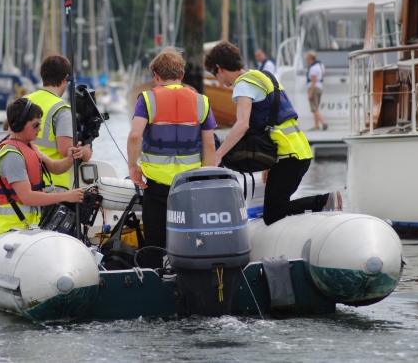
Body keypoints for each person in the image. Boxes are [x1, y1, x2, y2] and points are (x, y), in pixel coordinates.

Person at [203, 42, 342, 226]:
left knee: (273, 213)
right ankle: (321, 205)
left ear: (219, 68)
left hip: (288, 157)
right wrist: (269, 164)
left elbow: (242, 124)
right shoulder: (261, 76)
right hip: (299, 152)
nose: (219, 80)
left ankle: (324, 201)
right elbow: (273, 121)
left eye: (215, 74)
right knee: (278, 206)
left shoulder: (243, 85)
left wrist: (218, 154)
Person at [127, 47, 217, 268]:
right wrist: (206, 178)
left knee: (154, 244)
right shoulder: (201, 101)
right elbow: (209, 144)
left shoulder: (147, 99)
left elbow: (135, 135)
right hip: (189, 186)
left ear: (156, 76)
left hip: (156, 188)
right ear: (182, 75)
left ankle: (155, 288)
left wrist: (133, 167)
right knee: (192, 241)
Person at [0, 97, 85, 235]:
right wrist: (66, 196)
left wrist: (70, 159)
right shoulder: (12, 156)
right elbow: (27, 197)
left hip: (29, 225)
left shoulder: (29, 147)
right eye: (35, 125)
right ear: (19, 126)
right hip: (9, 227)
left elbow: (55, 168)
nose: (39, 129)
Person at [26, 54, 92, 192]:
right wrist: (85, 151)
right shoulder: (61, 109)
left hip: (24, 179)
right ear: (66, 78)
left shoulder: (24, 101)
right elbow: (66, 151)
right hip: (53, 184)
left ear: (42, 75)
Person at [305, 51, 328, 131]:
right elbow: (324, 74)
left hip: (314, 88)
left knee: (314, 108)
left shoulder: (313, 68)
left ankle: (323, 123)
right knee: (316, 106)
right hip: (320, 87)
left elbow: (313, 80)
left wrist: (311, 92)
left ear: (310, 59)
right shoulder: (320, 65)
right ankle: (316, 125)